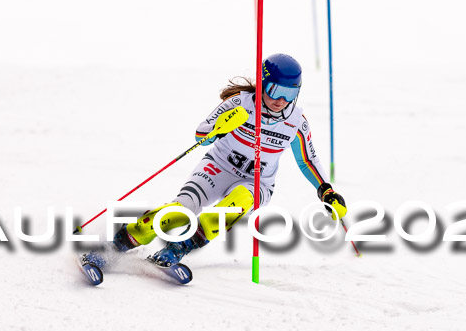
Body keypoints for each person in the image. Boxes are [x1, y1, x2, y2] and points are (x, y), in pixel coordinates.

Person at [85, 53, 347, 270]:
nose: (282, 101)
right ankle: (114, 246)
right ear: (263, 84)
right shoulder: (240, 104)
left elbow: (307, 161)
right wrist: (222, 127)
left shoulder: (296, 122)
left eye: (290, 94)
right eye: (276, 90)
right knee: (180, 212)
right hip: (217, 168)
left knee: (234, 205)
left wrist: (326, 191)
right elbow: (201, 135)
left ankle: (176, 250)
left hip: (256, 182)